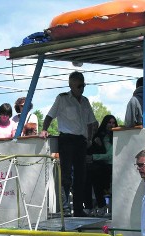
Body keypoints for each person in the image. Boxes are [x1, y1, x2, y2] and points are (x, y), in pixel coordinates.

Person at [41, 71, 98, 217]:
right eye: (79, 85)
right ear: (71, 85)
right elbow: (49, 115)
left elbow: (92, 122)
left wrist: (90, 138)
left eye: (83, 85)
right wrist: (44, 130)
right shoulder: (62, 99)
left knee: (81, 176)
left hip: (81, 142)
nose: (82, 88)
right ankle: (65, 209)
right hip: (67, 140)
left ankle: (78, 209)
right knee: (66, 175)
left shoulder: (85, 101)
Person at [84, 115, 115, 216]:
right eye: (109, 122)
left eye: (113, 123)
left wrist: (93, 157)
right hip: (101, 164)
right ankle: (89, 206)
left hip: (111, 165)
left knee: (94, 173)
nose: (111, 125)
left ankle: (100, 205)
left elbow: (110, 155)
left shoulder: (115, 136)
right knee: (87, 173)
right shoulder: (100, 135)